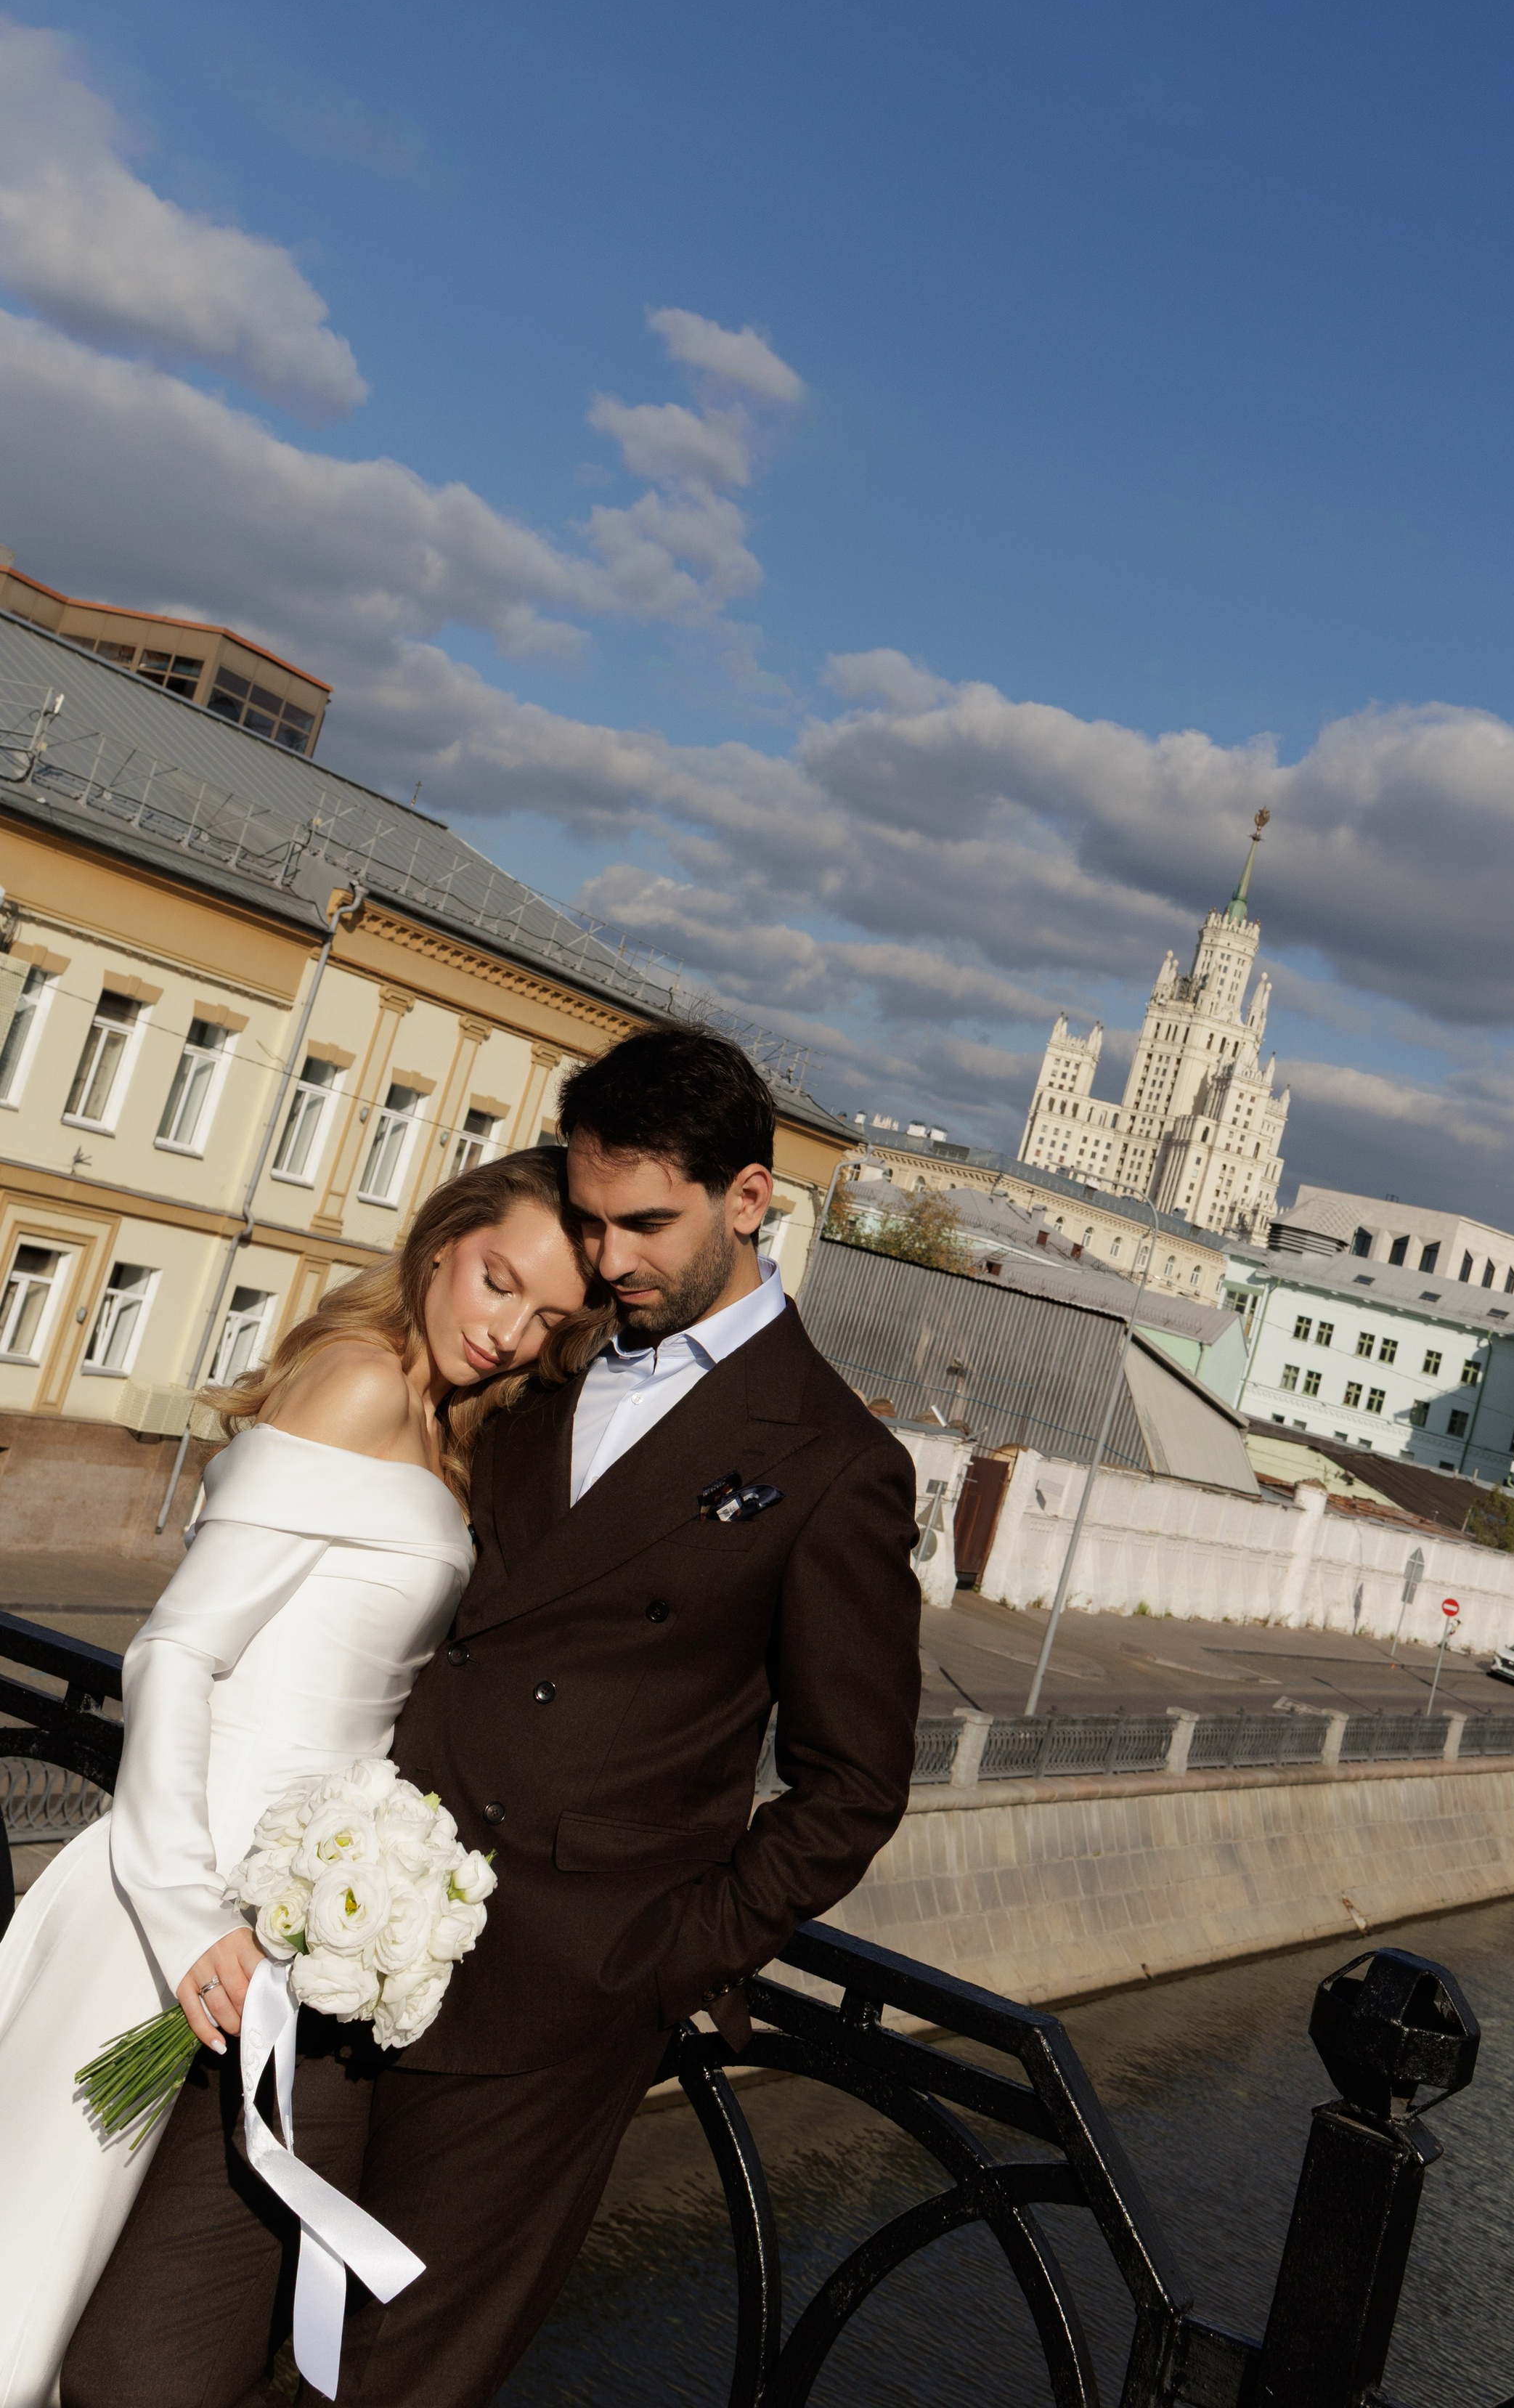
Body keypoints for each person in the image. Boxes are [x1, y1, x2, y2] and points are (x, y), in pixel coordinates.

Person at [67, 1024, 924, 2408]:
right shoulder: (551, 1356)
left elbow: (854, 1783)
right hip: (335, 1938)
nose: (610, 1259)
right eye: (590, 1223)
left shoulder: (834, 1463)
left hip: (551, 2002)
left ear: (750, 1200)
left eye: (646, 1224)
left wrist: (654, 1964)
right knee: (152, 2352)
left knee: (380, 2386)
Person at [0, 1148, 590, 2408]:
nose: (509, 1332)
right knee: (35, 2260)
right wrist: (180, 1908)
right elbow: (175, 1650)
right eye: (498, 1283)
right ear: (442, 1242)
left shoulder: (443, 1421)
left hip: (276, 1905)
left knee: (106, 2284)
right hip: (184, 1893)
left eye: (546, 1319)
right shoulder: (363, 1383)